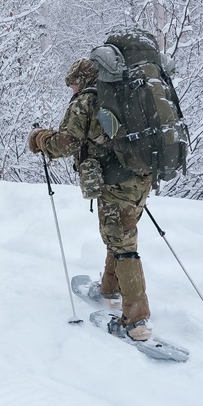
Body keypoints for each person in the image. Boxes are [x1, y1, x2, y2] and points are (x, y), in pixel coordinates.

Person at [28, 56, 154, 341]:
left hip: (116, 181)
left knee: (123, 244)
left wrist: (40, 139)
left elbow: (66, 144)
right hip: (141, 177)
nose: (72, 90)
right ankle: (110, 289)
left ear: (82, 79)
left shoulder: (87, 100)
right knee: (118, 234)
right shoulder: (128, 95)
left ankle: (136, 322)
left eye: (73, 85)